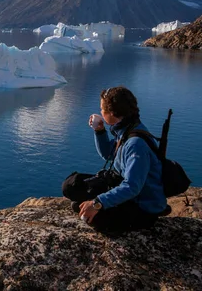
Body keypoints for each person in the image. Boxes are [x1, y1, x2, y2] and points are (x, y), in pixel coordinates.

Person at [62, 86, 168, 233]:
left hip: (141, 207)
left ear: (111, 113)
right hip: (122, 187)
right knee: (71, 186)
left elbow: (132, 187)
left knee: (92, 215)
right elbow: (109, 154)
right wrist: (100, 131)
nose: (100, 112)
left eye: (102, 109)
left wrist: (97, 203)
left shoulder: (136, 144)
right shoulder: (126, 129)